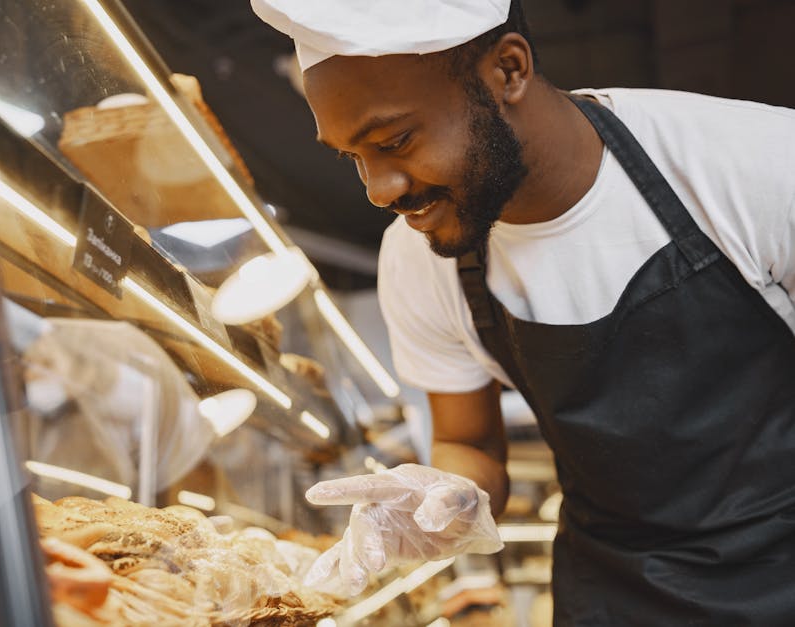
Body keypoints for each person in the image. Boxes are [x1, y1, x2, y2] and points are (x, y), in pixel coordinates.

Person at [251, 0, 795, 624]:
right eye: (353, 157)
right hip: (616, 592)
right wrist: (445, 497)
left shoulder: (755, 166)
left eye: (395, 140)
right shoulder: (417, 257)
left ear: (508, 70)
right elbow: (468, 442)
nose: (377, 189)